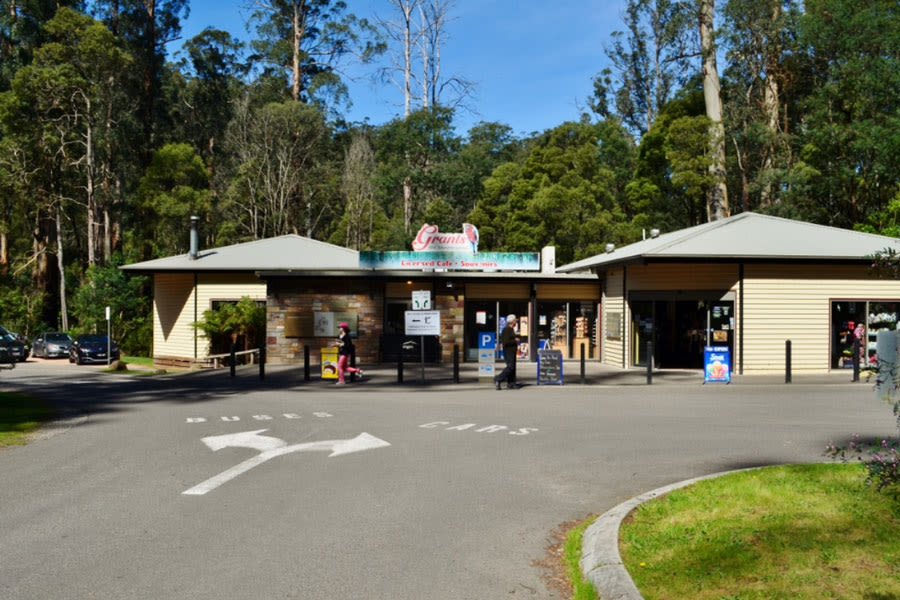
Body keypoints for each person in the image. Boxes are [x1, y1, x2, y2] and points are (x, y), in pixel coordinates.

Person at [494, 314, 519, 390]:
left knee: (513, 367)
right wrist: (515, 340)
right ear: (512, 321)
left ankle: (511, 383)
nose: (516, 322)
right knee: (510, 367)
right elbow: (505, 342)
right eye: (515, 321)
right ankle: (498, 379)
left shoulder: (511, 329)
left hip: (512, 351)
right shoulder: (506, 329)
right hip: (508, 351)